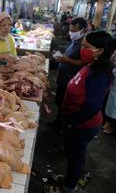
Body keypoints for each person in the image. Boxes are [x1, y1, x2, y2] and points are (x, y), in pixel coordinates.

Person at [60, 31, 114, 193]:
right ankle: (70, 177)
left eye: (86, 46)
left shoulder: (99, 74)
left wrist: (71, 122)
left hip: (83, 124)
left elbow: (91, 106)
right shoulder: (91, 66)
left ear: (100, 51)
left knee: (75, 155)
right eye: (82, 45)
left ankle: (69, 186)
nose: (82, 49)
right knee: (73, 153)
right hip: (77, 121)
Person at [48, 17, 88, 131]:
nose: (71, 33)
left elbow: (83, 63)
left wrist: (66, 60)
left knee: (65, 105)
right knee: (59, 101)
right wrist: (59, 56)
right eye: (71, 30)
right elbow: (68, 55)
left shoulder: (84, 45)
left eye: (74, 31)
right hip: (63, 77)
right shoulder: (74, 41)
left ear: (84, 30)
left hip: (70, 80)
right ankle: (58, 121)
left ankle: (62, 127)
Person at [103, 50, 116, 134]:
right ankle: (107, 124)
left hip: (114, 89)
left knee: (113, 109)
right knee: (110, 107)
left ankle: (111, 127)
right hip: (112, 89)